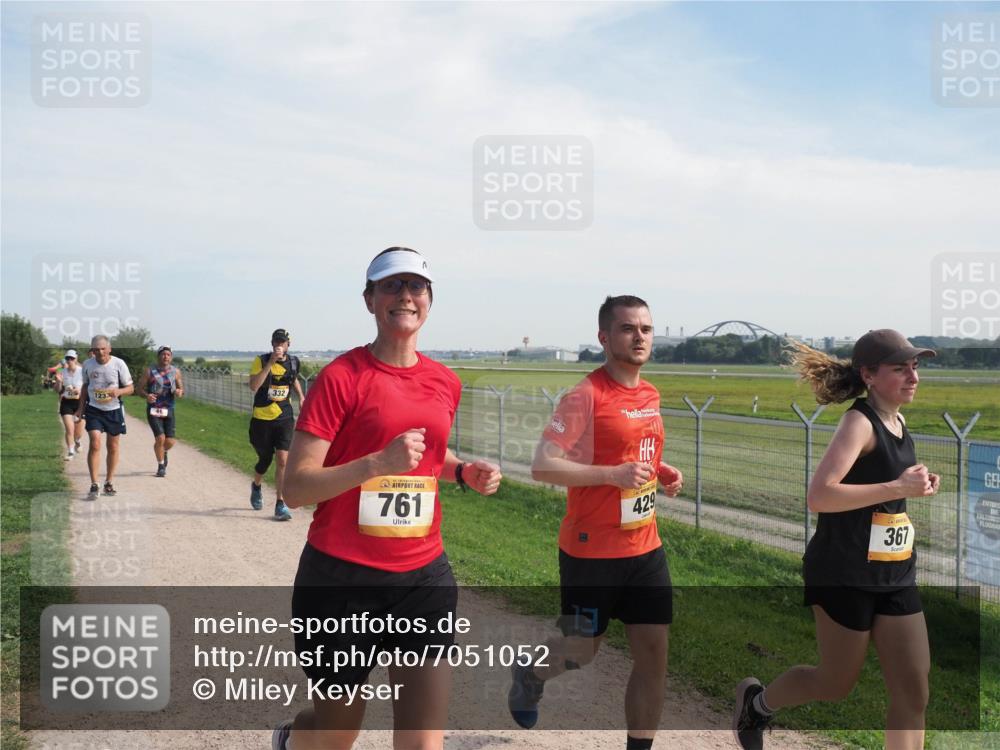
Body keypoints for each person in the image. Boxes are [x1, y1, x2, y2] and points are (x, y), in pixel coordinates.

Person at [271, 247, 502, 750]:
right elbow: (297, 486)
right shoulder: (343, 377)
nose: (405, 296)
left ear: (429, 300)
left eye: (416, 286)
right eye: (391, 286)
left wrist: (462, 470)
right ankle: (292, 739)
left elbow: (423, 458)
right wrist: (375, 465)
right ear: (370, 300)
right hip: (340, 580)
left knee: (422, 742)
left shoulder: (445, 380)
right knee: (334, 736)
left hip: (423, 579)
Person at [733, 330, 939, 750]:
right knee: (833, 682)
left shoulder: (897, 420)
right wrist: (895, 485)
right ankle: (758, 705)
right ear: (869, 374)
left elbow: (883, 488)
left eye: (914, 367)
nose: (912, 376)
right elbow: (820, 496)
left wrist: (911, 485)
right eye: (900, 368)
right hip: (844, 571)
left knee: (914, 692)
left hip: (895, 573)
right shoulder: (858, 423)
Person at [509, 295, 684, 750]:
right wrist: (612, 476)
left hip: (645, 549)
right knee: (581, 650)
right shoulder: (584, 396)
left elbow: (637, 452)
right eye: (628, 328)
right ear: (605, 337)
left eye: (646, 328)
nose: (640, 336)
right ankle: (531, 672)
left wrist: (660, 470)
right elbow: (543, 466)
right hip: (591, 553)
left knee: (654, 658)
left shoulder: (649, 393)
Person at [247, 329, 306, 521]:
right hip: (262, 418)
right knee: (264, 460)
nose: (279, 345)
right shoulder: (261, 360)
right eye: (276, 342)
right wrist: (271, 363)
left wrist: (301, 396)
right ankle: (256, 486)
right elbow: (254, 386)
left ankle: (280, 504)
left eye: (282, 342)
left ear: (288, 344)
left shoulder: (294, 362)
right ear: (271, 344)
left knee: (282, 459)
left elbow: (293, 377)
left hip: (284, 417)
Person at [75, 335, 135, 498]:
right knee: (95, 443)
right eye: (96, 349)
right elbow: (85, 387)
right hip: (94, 409)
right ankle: (94, 484)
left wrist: (119, 391)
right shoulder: (88, 365)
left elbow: (131, 388)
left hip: (114, 409)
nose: (100, 352)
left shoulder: (118, 364)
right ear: (92, 350)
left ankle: (109, 482)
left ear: (109, 349)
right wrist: (80, 409)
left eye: (103, 349)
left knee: (113, 446)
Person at [137, 346, 184, 477]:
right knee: (160, 438)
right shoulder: (149, 371)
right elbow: (139, 389)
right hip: (154, 409)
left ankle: (163, 451)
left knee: (170, 441)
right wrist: (146, 396)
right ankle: (161, 465)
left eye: (168, 355)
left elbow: (181, 389)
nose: (166, 357)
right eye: (163, 354)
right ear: (158, 356)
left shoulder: (176, 372)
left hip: (169, 409)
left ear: (171, 357)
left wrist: (179, 392)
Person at [55, 349, 84, 460]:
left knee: (78, 432)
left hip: (80, 402)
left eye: (72, 358)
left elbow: (88, 387)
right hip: (67, 402)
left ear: (76, 359)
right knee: (69, 429)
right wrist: (58, 382)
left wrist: (79, 391)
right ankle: (71, 452)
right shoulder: (62, 372)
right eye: (68, 358)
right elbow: (58, 390)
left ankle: (77, 441)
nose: (70, 360)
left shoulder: (82, 371)